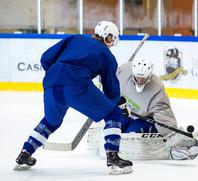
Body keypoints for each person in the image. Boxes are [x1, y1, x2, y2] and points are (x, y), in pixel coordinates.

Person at [14, 21, 133, 175]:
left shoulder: (75, 38)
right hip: (76, 85)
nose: (111, 44)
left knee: (50, 121)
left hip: (51, 82)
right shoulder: (107, 55)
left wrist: (58, 75)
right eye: (112, 39)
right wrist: (116, 104)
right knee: (113, 115)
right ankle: (113, 156)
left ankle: (25, 153)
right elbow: (110, 86)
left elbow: (46, 58)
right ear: (108, 36)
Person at [117, 57, 198, 160]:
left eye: (143, 78)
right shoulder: (124, 71)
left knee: (130, 136)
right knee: (115, 129)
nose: (139, 81)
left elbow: (163, 113)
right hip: (124, 113)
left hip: (143, 118)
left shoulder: (156, 90)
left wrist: (172, 136)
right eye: (137, 77)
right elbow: (109, 80)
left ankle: (154, 131)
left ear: (149, 76)